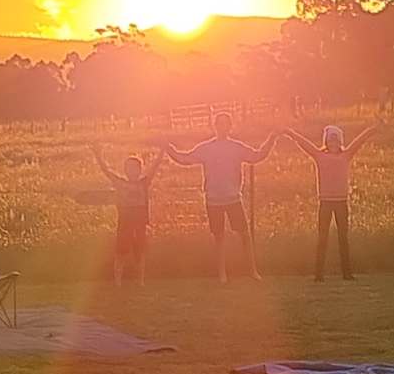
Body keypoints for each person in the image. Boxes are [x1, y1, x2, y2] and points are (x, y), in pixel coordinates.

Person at [160, 112, 287, 280]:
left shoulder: (236, 147)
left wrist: (272, 139)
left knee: (244, 234)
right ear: (215, 126)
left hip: (233, 198)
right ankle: (222, 274)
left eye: (225, 124)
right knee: (219, 237)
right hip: (213, 199)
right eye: (219, 124)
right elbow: (185, 159)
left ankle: (253, 271)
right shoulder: (206, 148)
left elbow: (257, 156)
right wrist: (168, 148)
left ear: (230, 126)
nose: (222, 127)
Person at [284, 121, 381, 280]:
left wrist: (371, 130)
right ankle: (318, 274)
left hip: (341, 202)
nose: (333, 143)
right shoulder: (319, 155)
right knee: (322, 238)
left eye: (336, 140)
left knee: (343, 238)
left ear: (340, 141)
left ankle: (347, 274)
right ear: (326, 142)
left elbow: (359, 141)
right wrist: (291, 133)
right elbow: (304, 144)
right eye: (330, 140)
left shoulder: (346, 154)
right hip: (326, 202)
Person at [85, 144, 159, 284]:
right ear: (125, 170)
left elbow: (154, 168)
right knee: (120, 252)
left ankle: (141, 280)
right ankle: (117, 281)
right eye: (130, 169)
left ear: (140, 170)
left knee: (140, 252)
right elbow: (106, 171)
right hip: (125, 222)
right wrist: (98, 155)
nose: (132, 172)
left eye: (135, 169)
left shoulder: (144, 183)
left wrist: (162, 152)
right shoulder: (120, 183)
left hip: (140, 222)